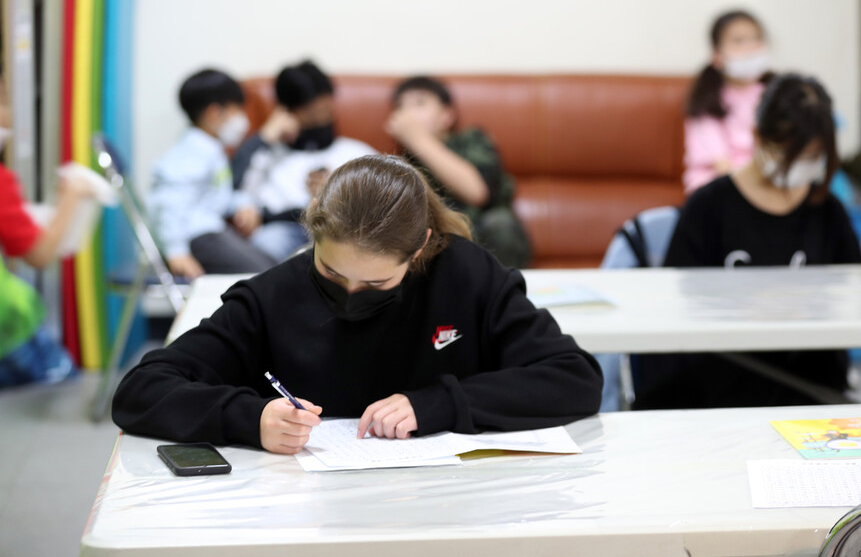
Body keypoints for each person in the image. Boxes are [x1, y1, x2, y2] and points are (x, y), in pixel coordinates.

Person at [112, 155, 602, 451]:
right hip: (312, 531)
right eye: (330, 273)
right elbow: (141, 390)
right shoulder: (273, 296)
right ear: (312, 235)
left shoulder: (465, 275)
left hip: (454, 518)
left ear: (418, 250)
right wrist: (249, 418)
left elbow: (574, 378)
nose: (348, 296)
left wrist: (440, 404)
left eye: (374, 285)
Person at [634, 73, 861, 413]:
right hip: (719, 385)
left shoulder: (826, 210)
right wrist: (747, 308)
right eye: (790, 154)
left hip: (808, 386)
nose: (801, 167)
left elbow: (857, 294)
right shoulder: (709, 206)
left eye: (813, 155)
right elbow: (676, 305)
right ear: (758, 137)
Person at [0, 78, 96, 388]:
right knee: (64, 384)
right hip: (10, 326)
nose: (8, 114)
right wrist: (71, 196)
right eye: (3, 100)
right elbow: (39, 253)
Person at [232, 60, 376, 262]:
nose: (323, 110)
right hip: (285, 230)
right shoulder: (266, 155)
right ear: (289, 110)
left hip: (344, 232)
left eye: (326, 101)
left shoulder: (357, 152)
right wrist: (265, 136)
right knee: (267, 242)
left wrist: (335, 197)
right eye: (310, 105)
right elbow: (234, 185)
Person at [385, 76, 532, 269]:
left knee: (500, 224)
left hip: (485, 237)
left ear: (447, 116)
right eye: (401, 106)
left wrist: (418, 138)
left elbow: (477, 192)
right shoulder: (402, 161)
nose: (408, 114)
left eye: (420, 103)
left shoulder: (471, 140)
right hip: (435, 244)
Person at [148, 68, 275, 279]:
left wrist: (243, 204)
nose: (242, 120)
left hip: (211, 232)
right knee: (266, 276)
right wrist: (176, 251)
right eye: (238, 111)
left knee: (273, 267)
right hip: (197, 238)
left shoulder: (210, 150)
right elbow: (170, 202)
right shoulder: (190, 154)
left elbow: (216, 195)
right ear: (215, 112)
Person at [683, 10, 773, 195]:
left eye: (756, 38)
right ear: (717, 55)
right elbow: (721, 165)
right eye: (738, 41)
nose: (749, 48)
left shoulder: (773, 93)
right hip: (717, 183)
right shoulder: (707, 99)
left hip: (766, 179)